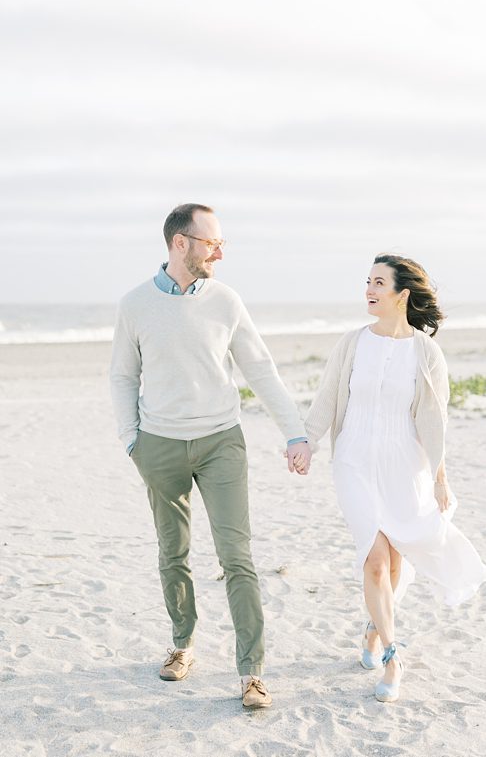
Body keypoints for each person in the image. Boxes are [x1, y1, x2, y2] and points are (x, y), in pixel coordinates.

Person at [110, 203, 312, 710]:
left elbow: (260, 369)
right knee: (172, 553)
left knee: (237, 557)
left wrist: (294, 433)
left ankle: (252, 672)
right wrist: (131, 440)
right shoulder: (135, 304)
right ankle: (183, 645)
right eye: (211, 242)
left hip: (222, 442)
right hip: (159, 445)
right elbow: (122, 376)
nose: (219, 252)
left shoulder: (226, 301)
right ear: (180, 243)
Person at [303, 254, 486, 703]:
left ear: (402, 294)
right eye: (367, 281)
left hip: (405, 464)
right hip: (353, 460)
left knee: (394, 556)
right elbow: (328, 396)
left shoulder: (426, 352)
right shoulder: (352, 343)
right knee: (374, 554)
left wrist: (441, 478)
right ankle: (392, 653)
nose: (369, 289)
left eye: (378, 283)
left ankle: (374, 624)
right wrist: (305, 442)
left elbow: (434, 421)